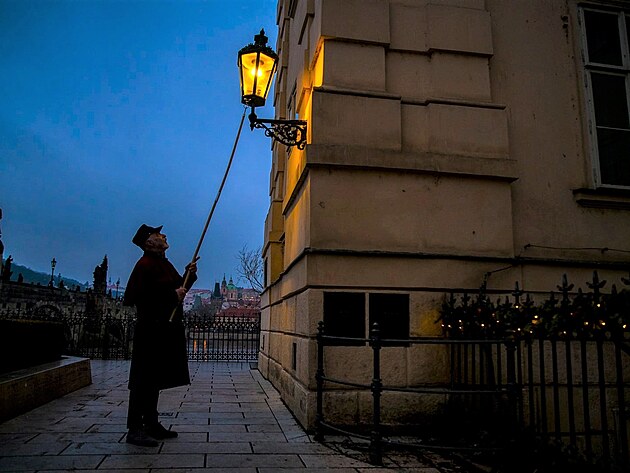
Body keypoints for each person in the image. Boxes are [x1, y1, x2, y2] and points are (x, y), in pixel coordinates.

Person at [123, 224, 198, 447]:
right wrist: (171, 294)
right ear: (149, 242)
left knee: (153, 380)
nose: (163, 235)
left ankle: (151, 423)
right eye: (158, 234)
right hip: (150, 330)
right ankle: (135, 428)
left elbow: (177, 286)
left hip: (163, 329)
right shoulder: (144, 264)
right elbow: (140, 296)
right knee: (142, 380)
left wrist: (188, 275)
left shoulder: (162, 263)